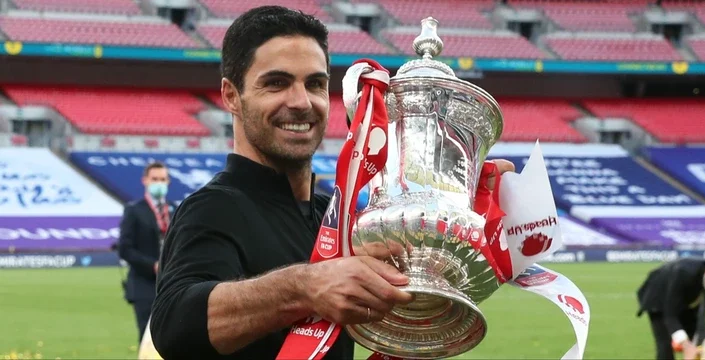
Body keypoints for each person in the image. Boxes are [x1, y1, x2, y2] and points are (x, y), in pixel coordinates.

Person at [149, 5, 516, 359]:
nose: (300, 101)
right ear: (232, 95)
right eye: (276, 83)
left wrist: (465, 204)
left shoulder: (337, 221)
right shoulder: (213, 208)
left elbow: (412, 300)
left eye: (315, 84)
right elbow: (174, 326)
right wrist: (305, 288)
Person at [118, 161, 172, 344]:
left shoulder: (175, 209)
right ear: (145, 181)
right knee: (148, 339)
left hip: (172, 284)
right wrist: (153, 265)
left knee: (173, 339)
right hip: (144, 285)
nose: (159, 183)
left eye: (163, 179)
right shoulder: (134, 210)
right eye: (155, 179)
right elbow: (125, 249)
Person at [636, 256, 705, 360]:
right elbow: (670, 315)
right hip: (658, 297)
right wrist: (686, 345)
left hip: (689, 301)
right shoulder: (684, 273)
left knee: (698, 342)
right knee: (665, 345)